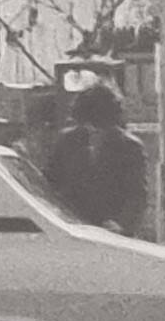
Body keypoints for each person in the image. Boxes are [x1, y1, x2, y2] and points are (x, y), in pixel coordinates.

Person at [40, 81, 150, 236]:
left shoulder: (130, 147)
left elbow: (137, 194)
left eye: (99, 129)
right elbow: (50, 182)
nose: (93, 133)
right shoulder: (67, 141)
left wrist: (122, 225)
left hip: (111, 228)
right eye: (88, 127)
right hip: (72, 226)